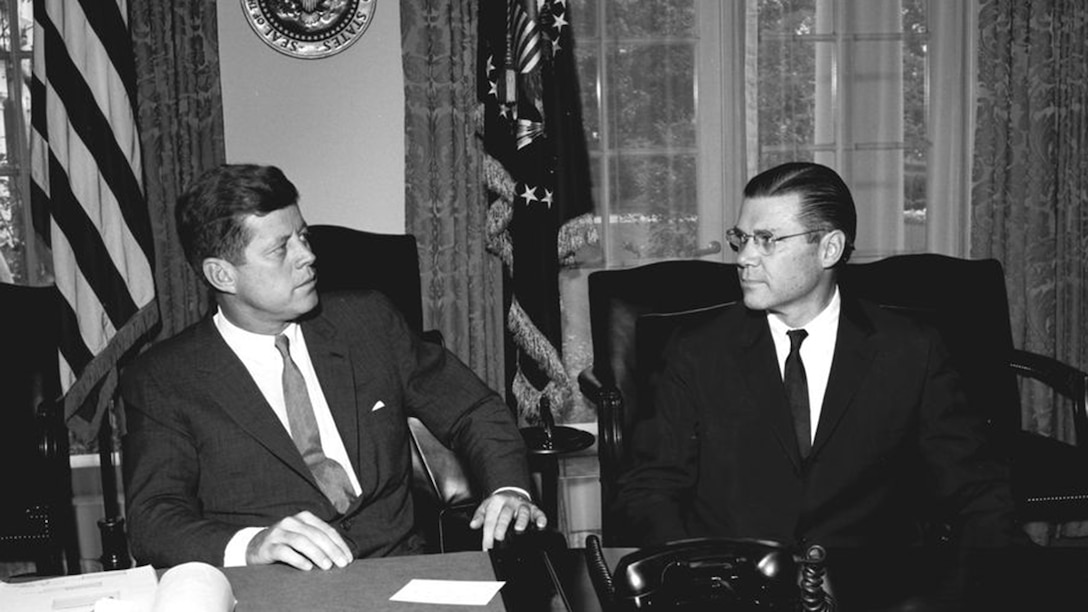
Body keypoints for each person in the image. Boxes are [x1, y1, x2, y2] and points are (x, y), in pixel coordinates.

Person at [615, 162, 1018, 592]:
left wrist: (993, 585)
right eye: (742, 238)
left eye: (767, 240)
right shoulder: (696, 351)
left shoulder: (910, 350)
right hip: (734, 589)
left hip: (874, 588)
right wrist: (697, 579)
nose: (744, 257)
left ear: (829, 248)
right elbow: (651, 489)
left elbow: (977, 490)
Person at [121, 164, 545, 570]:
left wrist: (508, 489)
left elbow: (472, 409)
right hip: (275, 593)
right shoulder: (165, 378)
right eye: (279, 248)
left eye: (302, 236)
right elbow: (154, 518)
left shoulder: (367, 321)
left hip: (398, 574)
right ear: (222, 275)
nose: (306, 255)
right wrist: (252, 544)